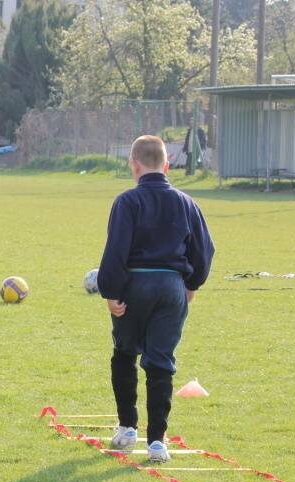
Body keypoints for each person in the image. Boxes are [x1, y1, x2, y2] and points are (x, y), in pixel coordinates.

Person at [98, 135, 215, 462]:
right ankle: (157, 443)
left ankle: (126, 429)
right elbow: (204, 250)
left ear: (133, 166)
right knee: (161, 360)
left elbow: (116, 249)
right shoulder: (187, 202)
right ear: (167, 165)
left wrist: (111, 291)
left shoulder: (127, 201)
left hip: (135, 285)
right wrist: (191, 283)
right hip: (171, 287)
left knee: (124, 353)